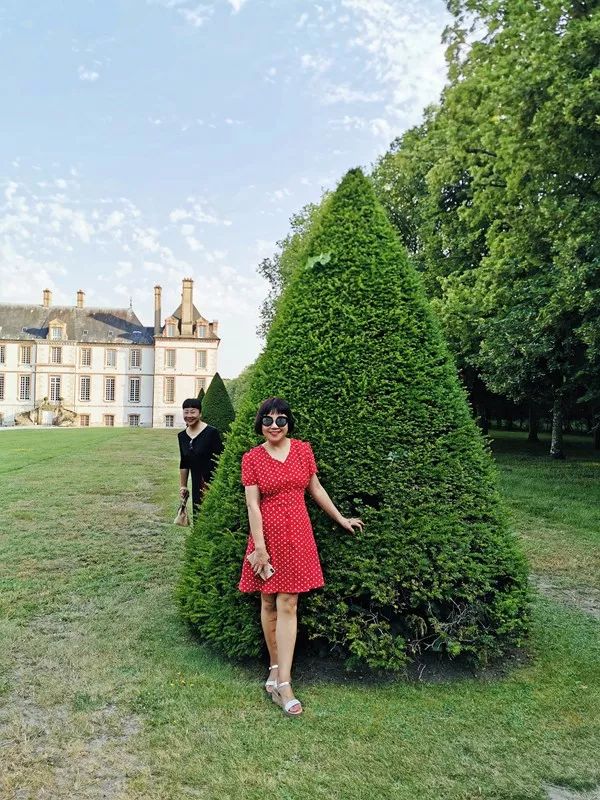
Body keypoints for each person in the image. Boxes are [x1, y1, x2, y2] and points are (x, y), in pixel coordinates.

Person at [238, 397, 363, 717]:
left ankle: (284, 684)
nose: (274, 426)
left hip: (298, 537)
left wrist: (341, 519)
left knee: (288, 603)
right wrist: (260, 548)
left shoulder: (303, 451)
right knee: (267, 602)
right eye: (268, 420)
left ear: (289, 423)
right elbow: (253, 506)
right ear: (260, 424)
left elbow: (316, 489)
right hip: (266, 539)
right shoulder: (252, 458)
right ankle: (275, 666)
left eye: (281, 420)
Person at [178, 398, 223, 512]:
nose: (189, 415)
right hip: (196, 482)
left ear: (200, 413)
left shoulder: (211, 432)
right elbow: (184, 462)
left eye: (193, 412)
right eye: (186, 412)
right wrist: (183, 486)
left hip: (214, 482)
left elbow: (221, 459)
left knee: (212, 513)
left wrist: (219, 483)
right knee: (198, 514)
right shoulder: (182, 436)